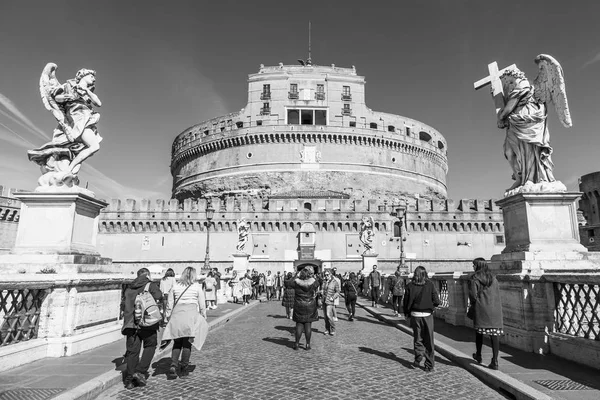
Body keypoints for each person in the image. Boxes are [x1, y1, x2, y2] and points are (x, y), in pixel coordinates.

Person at [121, 268, 163, 389]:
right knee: (150, 345)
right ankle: (139, 371)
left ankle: (129, 380)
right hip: (147, 323)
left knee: (132, 352)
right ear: (147, 276)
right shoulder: (150, 285)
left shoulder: (129, 288)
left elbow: (123, 305)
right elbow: (159, 296)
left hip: (131, 324)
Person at [163, 267, 207, 379]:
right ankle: (183, 366)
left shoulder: (175, 286)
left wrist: (167, 317)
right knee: (187, 343)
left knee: (177, 342)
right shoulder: (197, 287)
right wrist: (203, 315)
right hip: (191, 316)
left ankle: (173, 365)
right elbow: (202, 304)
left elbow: (170, 303)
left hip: (177, 315)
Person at [403, 266, 440, 372]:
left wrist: (406, 314)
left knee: (418, 338)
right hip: (427, 315)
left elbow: (405, 302)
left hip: (415, 315)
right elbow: (436, 300)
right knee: (429, 340)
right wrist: (432, 305)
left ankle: (419, 355)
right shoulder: (430, 285)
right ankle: (429, 365)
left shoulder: (409, 286)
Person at [469, 258, 504, 370]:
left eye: (474, 265)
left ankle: (478, 355)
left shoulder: (475, 278)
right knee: (494, 335)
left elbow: (473, 295)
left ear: (478, 266)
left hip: (481, 308)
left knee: (479, 332)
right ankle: (495, 361)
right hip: (495, 310)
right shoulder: (493, 278)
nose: (473, 267)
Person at [289, 266, 321, 350]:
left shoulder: (296, 282)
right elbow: (318, 282)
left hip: (299, 305)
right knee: (308, 325)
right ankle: (307, 344)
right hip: (310, 305)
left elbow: (288, 283)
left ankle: (296, 344)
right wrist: (312, 276)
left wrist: (296, 275)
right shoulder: (313, 282)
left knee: (299, 325)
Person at [322, 270, 340, 335]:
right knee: (325, 316)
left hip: (330, 300)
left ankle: (333, 329)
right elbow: (323, 290)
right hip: (324, 300)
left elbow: (338, 292)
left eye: (327, 275)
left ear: (330, 275)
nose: (326, 276)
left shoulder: (334, 282)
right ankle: (327, 329)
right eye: (325, 275)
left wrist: (333, 297)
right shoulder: (324, 282)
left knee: (329, 315)